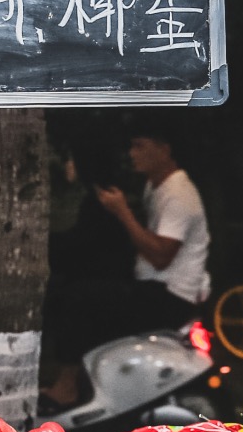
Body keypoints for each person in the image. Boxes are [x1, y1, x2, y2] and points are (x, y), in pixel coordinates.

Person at [42, 128, 211, 407]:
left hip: (170, 296)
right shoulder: (156, 186)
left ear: (164, 149)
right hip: (154, 287)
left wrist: (122, 212)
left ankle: (68, 385)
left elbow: (160, 255)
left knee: (80, 300)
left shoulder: (179, 193)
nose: (132, 154)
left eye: (139, 145)